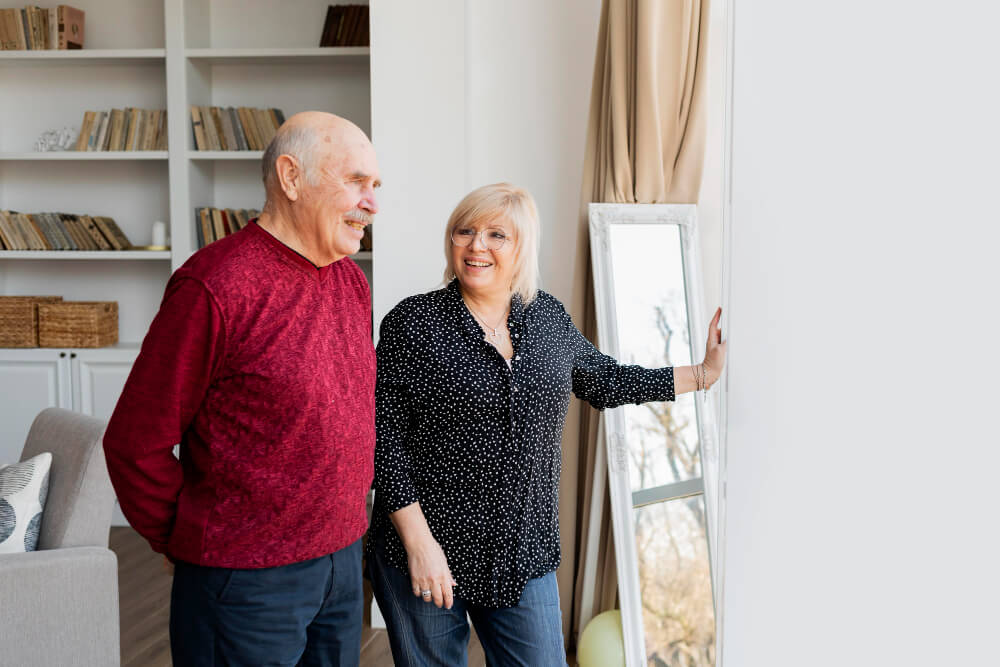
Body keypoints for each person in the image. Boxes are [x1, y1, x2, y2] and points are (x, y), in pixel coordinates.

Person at [367, 182, 726, 666]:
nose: (477, 246)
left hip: (522, 549)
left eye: (497, 235)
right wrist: (420, 545)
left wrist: (702, 374)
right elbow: (383, 443)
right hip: (428, 546)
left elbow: (605, 380)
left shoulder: (547, 317)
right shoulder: (412, 323)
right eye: (465, 231)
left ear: (522, 249)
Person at [103, 112, 380, 666]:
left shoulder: (350, 279)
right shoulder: (215, 286)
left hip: (343, 561)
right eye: (355, 182)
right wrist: (182, 535)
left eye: (375, 187)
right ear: (291, 177)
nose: (371, 204)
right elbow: (135, 442)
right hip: (247, 580)